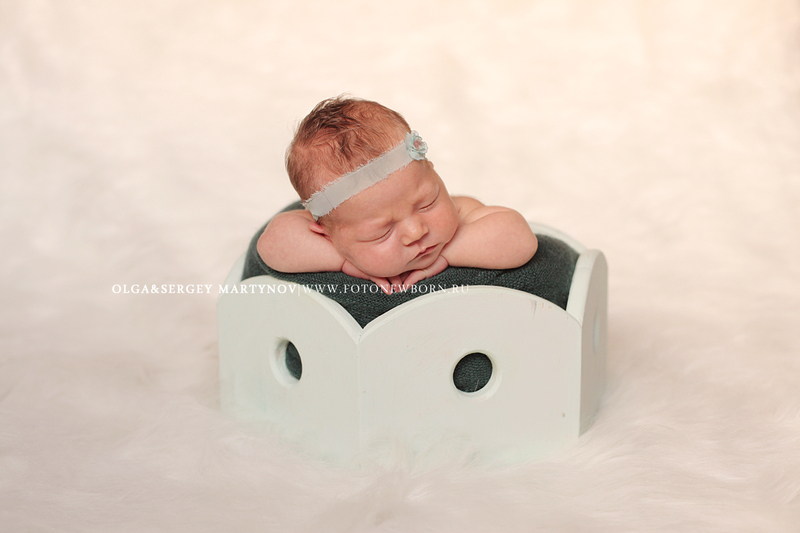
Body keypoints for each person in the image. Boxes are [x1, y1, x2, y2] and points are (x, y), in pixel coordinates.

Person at [258, 96, 538, 295]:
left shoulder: (462, 212)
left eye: (427, 203)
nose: (416, 232)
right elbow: (272, 244)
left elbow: (520, 240)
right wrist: (345, 261)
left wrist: (447, 254)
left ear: (432, 171)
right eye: (382, 232)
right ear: (326, 234)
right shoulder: (330, 238)